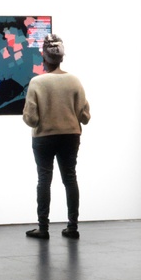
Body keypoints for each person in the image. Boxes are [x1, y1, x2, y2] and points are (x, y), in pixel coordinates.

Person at [24, 32, 90, 240]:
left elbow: (31, 119)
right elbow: (85, 116)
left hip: (44, 137)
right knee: (70, 179)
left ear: (44, 57)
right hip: (71, 135)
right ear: (62, 57)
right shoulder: (74, 81)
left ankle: (43, 228)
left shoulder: (37, 83)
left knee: (44, 179)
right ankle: (72, 227)